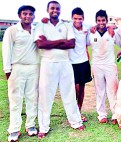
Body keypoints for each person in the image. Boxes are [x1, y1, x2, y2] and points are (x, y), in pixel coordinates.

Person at [34, 1, 85, 139]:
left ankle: (75, 122)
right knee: (45, 96)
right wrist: (61, 41)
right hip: (47, 64)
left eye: (57, 8)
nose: (55, 10)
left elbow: (71, 44)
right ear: (47, 10)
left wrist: (49, 42)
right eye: (52, 8)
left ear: (60, 10)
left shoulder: (66, 25)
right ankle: (44, 127)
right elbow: (40, 44)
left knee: (69, 94)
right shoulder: (41, 25)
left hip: (64, 63)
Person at [2, 5, 39, 141]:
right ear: (19, 15)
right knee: (15, 100)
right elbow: (6, 50)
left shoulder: (36, 30)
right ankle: (14, 129)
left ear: (33, 16)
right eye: (25, 14)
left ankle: (30, 125)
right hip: (17, 68)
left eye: (30, 14)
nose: (28, 16)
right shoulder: (12, 30)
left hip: (33, 68)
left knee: (32, 99)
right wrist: (7, 70)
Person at [88, 9, 118, 124]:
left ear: (106, 21)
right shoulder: (92, 32)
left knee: (112, 91)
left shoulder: (112, 32)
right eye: (99, 20)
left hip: (110, 65)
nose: (101, 23)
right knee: (99, 91)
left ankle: (116, 114)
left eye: (103, 20)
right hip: (97, 65)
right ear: (96, 21)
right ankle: (102, 115)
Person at [69, 7, 92, 122]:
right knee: (74, 89)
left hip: (83, 62)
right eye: (75, 18)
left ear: (83, 18)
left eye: (80, 18)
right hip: (71, 63)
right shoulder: (68, 28)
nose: (78, 21)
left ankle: (79, 111)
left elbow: (87, 44)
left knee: (82, 89)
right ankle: (73, 113)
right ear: (72, 18)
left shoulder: (86, 29)